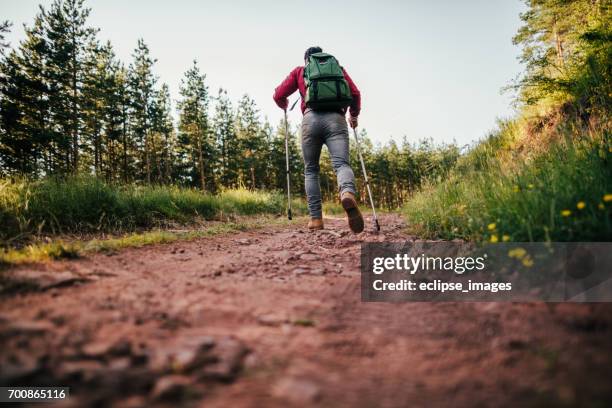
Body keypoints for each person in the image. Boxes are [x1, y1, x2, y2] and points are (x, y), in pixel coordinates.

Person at [273, 46, 365, 233]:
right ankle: (347, 193)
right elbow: (355, 94)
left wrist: (284, 104)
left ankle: (316, 219)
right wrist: (353, 115)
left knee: (311, 170)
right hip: (336, 120)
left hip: (310, 120)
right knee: (341, 164)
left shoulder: (300, 71)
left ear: (306, 59)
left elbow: (278, 94)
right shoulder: (338, 69)